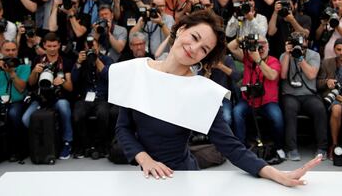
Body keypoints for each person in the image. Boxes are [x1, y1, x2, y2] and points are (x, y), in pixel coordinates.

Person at [112, 10, 322, 185]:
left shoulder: (201, 92)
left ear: (206, 57)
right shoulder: (137, 71)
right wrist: (145, 159)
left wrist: (278, 175)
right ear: (182, 29)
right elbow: (123, 127)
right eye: (194, 37)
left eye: (204, 49)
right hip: (140, 177)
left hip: (179, 178)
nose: (193, 49)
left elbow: (231, 146)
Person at [228, 34, 285, 159]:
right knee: (237, 112)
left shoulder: (273, 61)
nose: (261, 46)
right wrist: (242, 39)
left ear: (268, 46)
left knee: (277, 117)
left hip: (267, 101)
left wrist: (258, 60)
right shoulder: (248, 58)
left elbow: (272, 75)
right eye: (258, 43)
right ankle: (240, 148)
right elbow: (231, 47)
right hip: (248, 99)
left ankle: (279, 147)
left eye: (263, 44)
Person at [22, 32, 74, 160]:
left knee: (64, 106)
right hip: (40, 98)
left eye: (54, 46)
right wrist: (34, 71)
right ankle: (44, 143)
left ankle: (67, 142)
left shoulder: (65, 61)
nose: (52, 49)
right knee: (25, 119)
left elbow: (70, 87)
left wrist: (61, 82)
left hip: (58, 97)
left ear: (59, 45)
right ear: (44, 45)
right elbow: (31, 83)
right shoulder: (37, 60)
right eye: (49, 46)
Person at [280, 32, 328, 161]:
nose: (300, 44)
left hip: (308, 94)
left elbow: (311, 75)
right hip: (290, 95)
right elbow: (283, 75)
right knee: (289, 109)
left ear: (307, 42)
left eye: (302, 40)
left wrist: (300, 58)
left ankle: (322, 148)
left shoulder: (314, 55)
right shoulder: (284, 55)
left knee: (319, 109)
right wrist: (287, 54)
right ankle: (291, 148)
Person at [0, 40, 30, 161]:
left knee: (13, 114)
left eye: (13, 50)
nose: (11, 53)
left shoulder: (24, 66)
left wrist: (12, 72)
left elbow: (22, 88)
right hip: (0, 100)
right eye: (7, 50)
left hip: (16, 101)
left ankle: (15, 150)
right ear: (1, 51)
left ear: (17, 51)